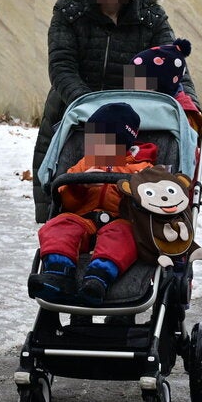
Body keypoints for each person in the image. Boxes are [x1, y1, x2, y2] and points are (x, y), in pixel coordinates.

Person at [33, 0, 200, 223]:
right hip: (74, 112)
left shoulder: (150, 16)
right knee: (63, 195)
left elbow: (172, 63)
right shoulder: (70, 10)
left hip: (137, 120)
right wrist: (89, 106)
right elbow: (61, 66)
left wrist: (189, 109)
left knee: (127, 200)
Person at [27, 103, 157, 305]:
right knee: (59, 225)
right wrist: (79, 185)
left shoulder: (141, 168)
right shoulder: (85, 163)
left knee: (126, 234)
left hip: (120, 221)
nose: (94, 146)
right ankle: (58, 275)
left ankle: (98, 277)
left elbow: (149, 200)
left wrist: (127, 186)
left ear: (121, 142)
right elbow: (65, 196)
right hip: (83, 220)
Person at [127, 38, 202, 134]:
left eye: (136, 81)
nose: (129, 88)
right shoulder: (133, 102)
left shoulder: (180, 115)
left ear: (161, 87)